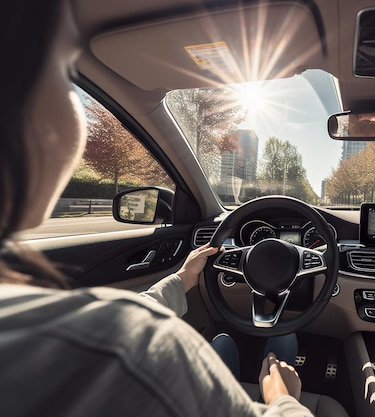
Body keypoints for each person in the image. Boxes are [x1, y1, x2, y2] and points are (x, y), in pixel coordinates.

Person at [0, 1, 312, 416]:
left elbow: (115, 328)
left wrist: (182, 278)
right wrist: (283, 399)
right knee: (283, 348)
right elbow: (123, 333)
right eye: (64, 71)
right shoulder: (137, 352)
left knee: (220, 345)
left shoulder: (95, 342)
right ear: (23, 111)